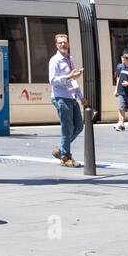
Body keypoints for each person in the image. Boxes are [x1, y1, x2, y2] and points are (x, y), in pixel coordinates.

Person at [48, 33, 84, 167]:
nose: (63, 44)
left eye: (65, 42)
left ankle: (60, 149)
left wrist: (81, 97)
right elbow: (52, 80)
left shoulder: (70, 59)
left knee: (79, 127)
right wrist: (68, 77)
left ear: (68, 43)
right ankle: (65, 157)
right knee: (67, 128)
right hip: (61, 97)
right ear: (56, 45)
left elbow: (73, 80)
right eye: (60, 43)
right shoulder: (55, 60)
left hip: (72, 97)